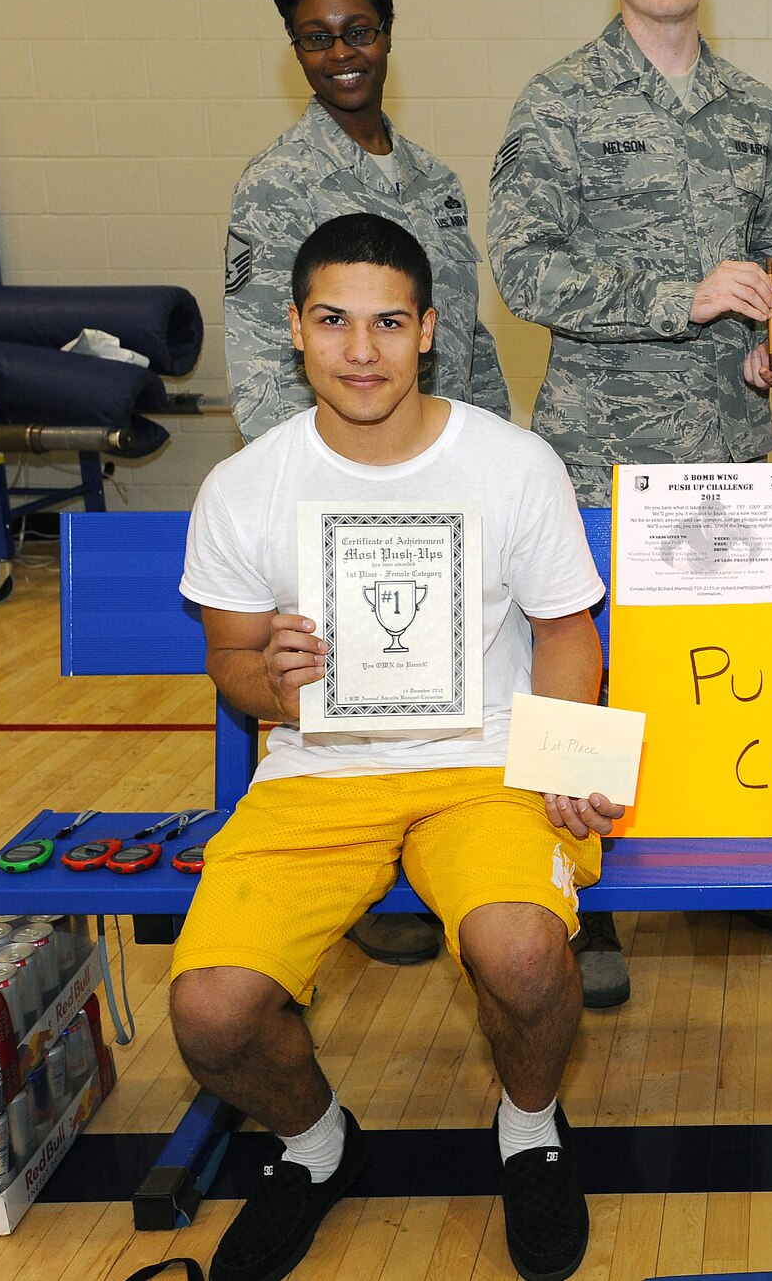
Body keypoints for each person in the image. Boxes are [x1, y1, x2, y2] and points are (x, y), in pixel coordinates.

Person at [173, 214, 616, 1281]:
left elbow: (567, 631)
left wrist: (569, 759)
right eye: (333, 320)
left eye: (386, 322)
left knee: (523, 955)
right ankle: (318, 1143)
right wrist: (270, 675)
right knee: (210, 1013)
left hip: (486, 768)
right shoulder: (245, 486)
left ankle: (529, 1128)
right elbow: (231, 663)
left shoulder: (511, 463)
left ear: (427, 330)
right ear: (294, 328)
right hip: (319, 772)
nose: (360, 350)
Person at [488, 0, 772, 1002]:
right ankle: (576, 893)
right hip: (602, 455)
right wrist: (681, 296)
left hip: (728, 451)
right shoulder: (558, 103)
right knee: (587, 674)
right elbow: (523, 270)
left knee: (724, 670)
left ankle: (724, 863)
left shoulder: (755, 113)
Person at [224, 0, 512, 966]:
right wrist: (335, 495)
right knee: (365, 689)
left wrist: (498, 463)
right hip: (347, 511)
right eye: (316, 38)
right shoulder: (277, 185)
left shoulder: (435, 181)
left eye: (358, 31)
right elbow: (263, 369)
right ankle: (369, 879)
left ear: (388, 34)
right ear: (294, 49)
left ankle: (460, 855)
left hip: (454, 490)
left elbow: (465, 344)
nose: (340, 53)